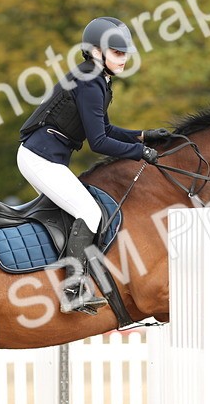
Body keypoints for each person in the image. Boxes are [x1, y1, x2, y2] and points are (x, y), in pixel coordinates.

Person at [18, 16, 170, 313]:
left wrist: (143, 135)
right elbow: (99, 143)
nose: (123, 58)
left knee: (79, 210)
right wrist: (140, 153)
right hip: (39, 159)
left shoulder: (96, 78)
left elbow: (105, 129)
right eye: (117, 52)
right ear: (96, 51)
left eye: (125, 52)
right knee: (88, 210)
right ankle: (72, 289)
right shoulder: (90, 81)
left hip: (46, 157)